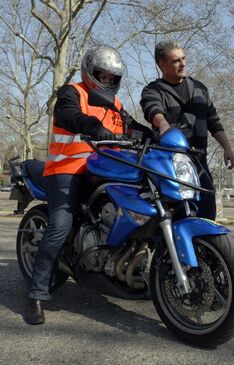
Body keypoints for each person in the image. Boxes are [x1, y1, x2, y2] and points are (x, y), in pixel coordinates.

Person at [23, 45, 150, 325]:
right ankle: (36, 294)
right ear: (90, 72)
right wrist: (93, 126)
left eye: (110, 77)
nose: (106, 81)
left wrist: (156, 136)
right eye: (101, 75)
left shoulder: (115, 105)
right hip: (66, 170)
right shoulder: (73, 92)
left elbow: (132, 127)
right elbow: (67, 115)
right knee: (60, 225)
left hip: (102, 169)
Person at [140, 40, 234, 220]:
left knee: (208, 215)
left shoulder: (200, 89)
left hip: (200, 162)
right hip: (171, 165)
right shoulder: (153, 90)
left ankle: (208, 247)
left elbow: (213, 121)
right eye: (176, 60)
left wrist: (227, 148)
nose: (183, 63)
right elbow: (153, 110)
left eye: (183, 58)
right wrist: (163, 125)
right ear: (162, 64)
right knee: (178, 217)